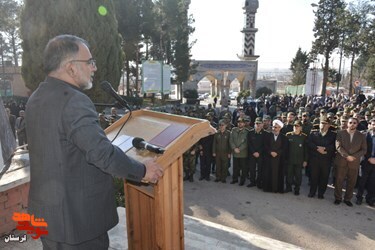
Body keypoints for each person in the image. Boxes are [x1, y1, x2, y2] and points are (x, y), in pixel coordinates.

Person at [25, 35, 163, 249]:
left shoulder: (36, 97)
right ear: (71, 67)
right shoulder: (74, 101)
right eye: (89, 62)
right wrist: (143, 171)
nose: (94, 68)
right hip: (78, 221)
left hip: (49, 215)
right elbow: (101, 154)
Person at [334, 117, 367, 206]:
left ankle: (347, 199)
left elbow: (364, 150)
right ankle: (338, 198)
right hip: (341, 161)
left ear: (357, 124)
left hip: (354, 162)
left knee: (351, 182)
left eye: (354, 123)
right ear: (347, 124)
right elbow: (338, 147)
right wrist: (347, 156)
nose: (352, 124)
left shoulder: (361, 135)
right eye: (350, 122)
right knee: (339, 180)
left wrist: (353, 157)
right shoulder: (341, 133)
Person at [307, 118, 336, 199]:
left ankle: (321, 194)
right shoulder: (313, 133)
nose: (323, 125)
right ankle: (312, 192)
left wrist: (325, 149)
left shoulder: (333, 135)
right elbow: (309, 143)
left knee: (324, 178)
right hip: (314, 159)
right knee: (313, 177)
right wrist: (317, 148)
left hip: (326, 160)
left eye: (325, 123)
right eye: (321, 123)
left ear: (329, 125)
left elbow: (334, 146)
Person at [263, 119, 288, 193]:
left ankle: (276, 189)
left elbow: (284, 148)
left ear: (280, 128)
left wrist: (277, 153)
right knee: (268, 173)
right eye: (273, 127)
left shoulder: (284, 138)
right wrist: (270, 152)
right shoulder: (268, 136)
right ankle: (267, 188)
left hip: (279, 159)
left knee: (277, 174)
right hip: (269, 157)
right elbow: (265, 146)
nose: (274, 129)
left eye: (276, 127)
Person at [285, 120, 308, 195]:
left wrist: (305, 160)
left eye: (297, 126)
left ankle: (297, 189)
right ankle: (288, 187)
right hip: (290, 159)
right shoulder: (288, 135)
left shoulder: (304, 137)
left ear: (301, 127)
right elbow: (285, 148)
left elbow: (306, 150)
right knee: (289, 174)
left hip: (299, 160)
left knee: (298, 176)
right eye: (294, 126)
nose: (295, 127)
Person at [356, 119, 375, 206]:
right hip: (365, 162)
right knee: (362, 181)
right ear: (369, 125)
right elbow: (359, 148)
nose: (374, 126)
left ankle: (370, 199)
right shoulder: (363, 135)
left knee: (372, 182)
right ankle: (359, 198)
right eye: (373, 124)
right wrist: (368, 158)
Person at [248, 117, 267, 188]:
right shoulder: (250, 133)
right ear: (254, 124)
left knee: (260, 169)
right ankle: (252, 182)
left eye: (259, 123)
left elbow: (265, 145)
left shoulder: (265, 134)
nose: (258, 125)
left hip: (261, 154)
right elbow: (249, 144)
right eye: (256, 123)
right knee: (252, 169)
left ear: (262, 124)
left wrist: (258, 152)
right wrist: (253, 152)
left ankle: (259, 182)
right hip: (252, 154)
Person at [229, 117, 249, 186]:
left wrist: (239, 149)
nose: (240, 123)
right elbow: (231, 140)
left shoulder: (247, 132)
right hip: (235, 152)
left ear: (244, 123)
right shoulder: (233, 130)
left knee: (243, 168)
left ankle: (242, 181)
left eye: (241, 122)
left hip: (243, 153)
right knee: (235, 167)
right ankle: (235, 179)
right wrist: (234, 148)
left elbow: (246, 143)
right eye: (239, 122)